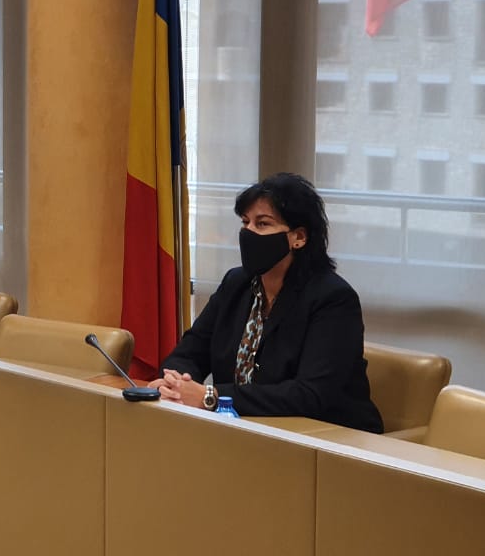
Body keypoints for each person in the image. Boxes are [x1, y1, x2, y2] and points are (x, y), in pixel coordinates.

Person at [149, 172, 383, 433]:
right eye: (245, 222)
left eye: (262, 224)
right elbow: (190, 351)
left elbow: (309, 395)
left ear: (299, 237)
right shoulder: (236, 283)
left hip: (329, 438)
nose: (248, 232)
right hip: (247, 430)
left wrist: (210, 396)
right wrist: (176, 383)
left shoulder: (333, 299)